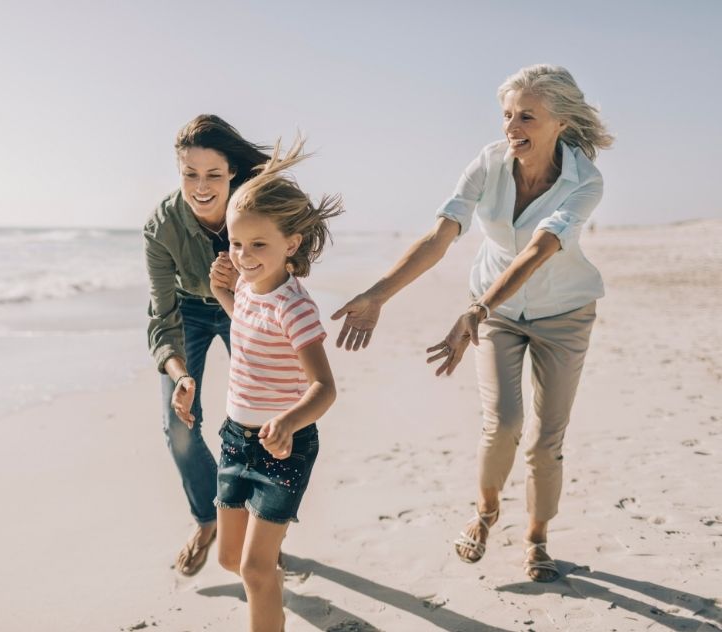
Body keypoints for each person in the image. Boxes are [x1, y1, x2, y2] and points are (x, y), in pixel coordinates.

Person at [331, 64, 613, 582]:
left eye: (527, 116)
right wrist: (377, 295)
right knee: (502, 422)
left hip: (563, 314)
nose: (512, 126)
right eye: (507, 114)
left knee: (545, 439)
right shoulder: (487, 163)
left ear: (561, 122)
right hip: (498, 311)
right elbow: (441, 236)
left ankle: (536, 537)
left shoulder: (585, 181)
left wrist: (475, 309)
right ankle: (485, 513)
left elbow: (540, 250)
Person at [209, 137, 342, 631]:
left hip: (282, 449)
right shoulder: (245, 286)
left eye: (257, 244)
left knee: (254, 568)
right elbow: (246, 329)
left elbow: (324, 387)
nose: (243, 255)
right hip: (234, 441)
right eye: (236, 243)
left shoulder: (295, 307)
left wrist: (288, 421)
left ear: (292, 243)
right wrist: (222, 288)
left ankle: (268, 593)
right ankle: (271, 587)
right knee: (230, 560)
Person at [144, 114, 270, 576]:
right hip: (188, 312)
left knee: (262, 421)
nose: (201, 186)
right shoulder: (162, 226)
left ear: (232, 172)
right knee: (177, 428)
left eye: (213, 174)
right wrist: (180, 376)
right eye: (189, 174)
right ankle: (208, 518)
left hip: (249, 303)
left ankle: (262, 525)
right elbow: (162, 315)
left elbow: (295, 259)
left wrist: (250, 277)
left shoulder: (259, 204)